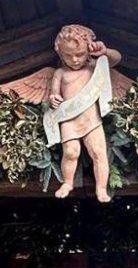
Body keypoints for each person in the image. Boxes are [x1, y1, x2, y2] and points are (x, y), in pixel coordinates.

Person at [45, 24, 121, 203]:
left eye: (79, 54)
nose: (74, 60)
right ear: (60, 54)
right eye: (68, 55)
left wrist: (104, 52)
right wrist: (54, 98)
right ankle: (67, 182)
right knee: (71, 152)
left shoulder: (93, 67)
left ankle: (101, 188)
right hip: (68, 119)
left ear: (88, 51)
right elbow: (54, 94)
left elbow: (115, 59)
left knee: (98, 152)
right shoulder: (60, 73)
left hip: (91, 118)